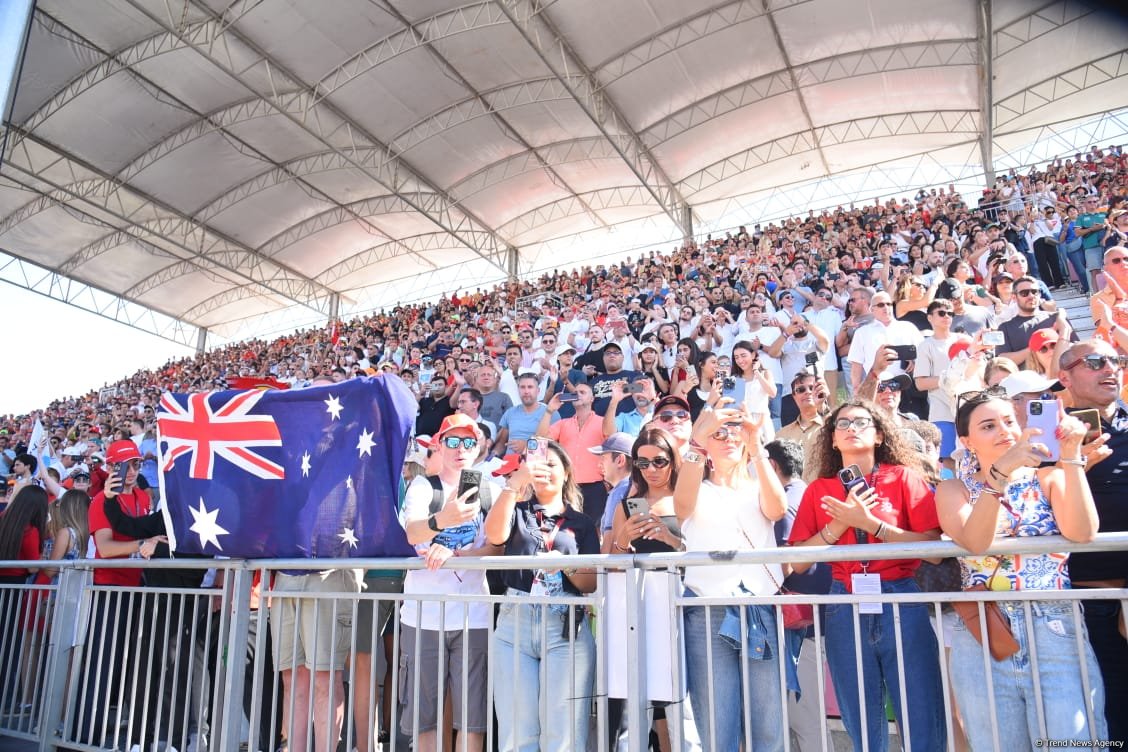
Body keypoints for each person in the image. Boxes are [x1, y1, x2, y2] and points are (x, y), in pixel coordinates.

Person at [935, 388, 1107, 747]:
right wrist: (999, 474)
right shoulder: (953, 490)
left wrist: (1072, 455)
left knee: (1073, 742)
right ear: (966, 441)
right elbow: (976, 541)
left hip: (1054, 625)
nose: (1004, 431)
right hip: (985, 633)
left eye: (1010, 421)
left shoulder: (1049, 478)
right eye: (988, 426)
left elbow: (1083, 532)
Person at [788, 401, 946, 752]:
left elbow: (934, 550)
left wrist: (872, 525)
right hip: (844, 599)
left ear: (878, 434)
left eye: (861, 421)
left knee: (919, 704)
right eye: (842, 423)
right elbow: (797, 562)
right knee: (858, 710)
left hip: (900, 597)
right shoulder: (818, 489)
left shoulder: (904, 478)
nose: (851, 427)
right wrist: (840, 524)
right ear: (831, 440)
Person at [673, 383, 787, 751]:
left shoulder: (758, 482)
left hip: (760, 608)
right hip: (708, 611)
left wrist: (755, 446)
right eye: (718, 434)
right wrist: (697, 439)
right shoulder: (695, 483)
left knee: (767, 725)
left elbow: (777, 510)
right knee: (717, 725)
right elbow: (681, 506)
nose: (726, 439)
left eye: (733, 431)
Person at [483, 441, 599, 752]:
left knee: (563, 735)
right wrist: (514, 485)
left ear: (566, 473)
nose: (543, 470)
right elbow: (495, 535)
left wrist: (563, 566)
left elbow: (590, 581)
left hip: (565, 622)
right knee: (516, 733)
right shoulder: (516, 510)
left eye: (552, 464)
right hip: (514, 622)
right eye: (537, 464)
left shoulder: (583, 523)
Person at [399, 413, 500, 752]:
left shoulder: (489, 489)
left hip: (473, 615)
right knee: (423, 715)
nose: (461, 449)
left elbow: (496, 545)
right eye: (453, 441)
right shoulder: (424, 486)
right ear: (440, 445)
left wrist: (459, 555)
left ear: (479, 448)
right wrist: (445, 519)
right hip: (423, 614)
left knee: (472, 716)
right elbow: (413, 531)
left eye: (468, 442)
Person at [1056, 340, 1128, 743]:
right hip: (1081, 604)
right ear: (1064, 377)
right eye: (1096, 362)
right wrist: (1074, 465)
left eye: (1116, 360)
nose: (1110, 369)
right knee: (1103, 715)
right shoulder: (1046, 434)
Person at [605, 427, 685, 752]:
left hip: (685, 609)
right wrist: (623, 541)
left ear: (673, 461)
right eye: (643, 463)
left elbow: (702, 550)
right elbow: (610, 562)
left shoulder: (687, 497)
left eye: (659, 461)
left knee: (685, 698)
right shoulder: (629, 503)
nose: (651, 469)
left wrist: (671, 540)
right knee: (658, 699)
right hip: (645, 612)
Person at [539, 383, 609, 525]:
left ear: (592, 399)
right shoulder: (563, 423)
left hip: (595, 487)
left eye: (582, 392)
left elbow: (612, 438)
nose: (578, 394)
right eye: (575, 392)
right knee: (568, 527)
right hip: (569, 485)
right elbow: (540, 441)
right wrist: (549, 411)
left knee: (594, 528)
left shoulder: (603, 422)